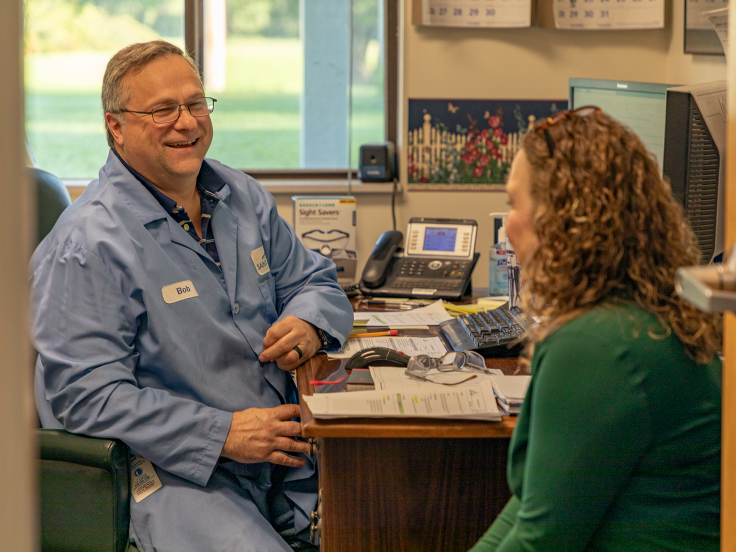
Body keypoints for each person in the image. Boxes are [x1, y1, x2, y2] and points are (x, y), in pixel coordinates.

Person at [30, 40, 353, 552]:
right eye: (162, 110)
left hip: (278, 455)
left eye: (196, 103)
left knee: (393, 514)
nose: (187, 122)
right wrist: (222, 433)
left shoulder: (241, 196)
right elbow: (85, 396)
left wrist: (309, 323)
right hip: (178, 469)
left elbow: (313, 280)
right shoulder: (87, 243)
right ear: (116, 126)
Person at [470, 107, 722, 551]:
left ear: (561, 218)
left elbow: (540, 540)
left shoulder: (595, 345)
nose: (507, 225)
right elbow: (532, 504)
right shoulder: (644, 315)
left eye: (514, 204)